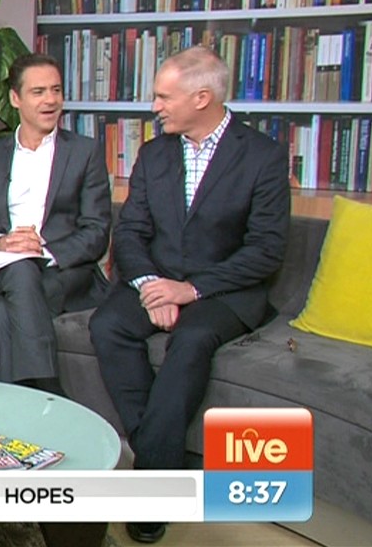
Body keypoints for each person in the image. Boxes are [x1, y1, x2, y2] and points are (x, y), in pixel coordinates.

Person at [90, 46, 290, 544]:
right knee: (107, 324)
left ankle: (151, 488)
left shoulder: (262, 156)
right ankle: (163, 459)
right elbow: (130, 232)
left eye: (164, 97)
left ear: (202, 98)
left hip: (224, 290)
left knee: (193, 340)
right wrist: (151, 286)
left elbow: (266, 250)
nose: (154, 106)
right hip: (157, 281)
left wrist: (190, 289)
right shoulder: (154, 153)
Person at [0, 53, 112, 394]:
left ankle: (12, 407)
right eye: (38, 92)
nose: (50, 100)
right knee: (20, 269)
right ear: (15, 98)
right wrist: (2, 242)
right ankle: (50, 393)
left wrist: (43, 249)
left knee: (2, 312)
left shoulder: (85, 152)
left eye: (56, 90)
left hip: (60, 269)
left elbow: (97, 230)